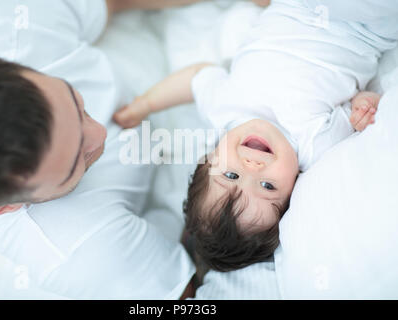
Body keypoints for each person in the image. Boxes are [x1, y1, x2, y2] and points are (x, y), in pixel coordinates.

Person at [113, 0, 395, 272]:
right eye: (268, 186)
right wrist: (365, 106)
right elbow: (365, 106)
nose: (253, 167)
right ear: (293, 188)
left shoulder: (223, 109)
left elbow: (196, 77)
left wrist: (146, 104)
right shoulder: (314, 143)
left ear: (210, 159)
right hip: (361, 24)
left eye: (231, 176)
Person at [0, 0, 202, 299]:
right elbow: (189, 298)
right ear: (7, 207)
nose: (101, 133)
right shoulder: (84, 253)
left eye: (76, 102)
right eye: (75, 164)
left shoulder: (6, 19)